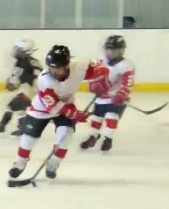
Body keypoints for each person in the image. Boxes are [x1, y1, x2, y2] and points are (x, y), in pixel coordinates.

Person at [9, 45, 109, 179]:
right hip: (41, 110)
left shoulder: (80, 66)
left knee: (66, 137)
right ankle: (20, 162)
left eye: (58, 69)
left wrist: (101, 81)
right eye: (51, 68)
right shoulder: (44, 80)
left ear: (67, 65)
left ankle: (54, 162)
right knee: (29, 138)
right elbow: (53, 106)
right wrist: (75, 114)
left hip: (66, 107)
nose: (54, 72)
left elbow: (101, 68)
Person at [80, 35, 135, 152]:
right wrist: (93, 86)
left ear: (121, 50)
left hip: (116, 98)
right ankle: (92, 136)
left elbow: (128, 83)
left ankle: (108, 139)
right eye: (109, 49)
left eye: (114, 50)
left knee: (111, 116)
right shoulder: (101, 61)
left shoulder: (126, 65)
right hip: (101, 97)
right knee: (96, 117)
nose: (111, 52)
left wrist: (121, 94)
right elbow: (93, 75)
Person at [0, 38, 43, 136]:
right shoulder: (30, 61)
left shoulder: (23, 62)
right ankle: (7, 126)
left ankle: (17, 127)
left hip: (28, 88)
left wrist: (12, 83)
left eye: (18, 49)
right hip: (29, 88)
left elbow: (18, 77)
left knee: (16, 106)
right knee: (16, 107)